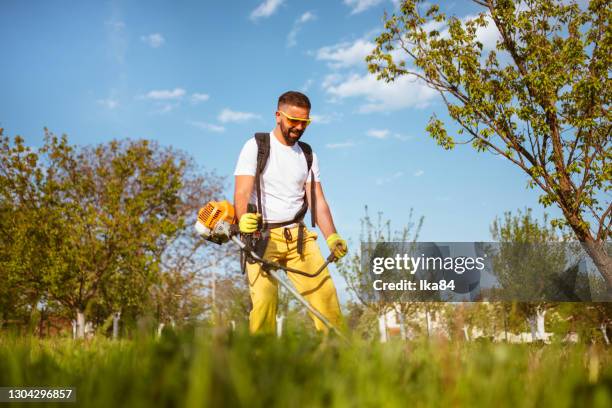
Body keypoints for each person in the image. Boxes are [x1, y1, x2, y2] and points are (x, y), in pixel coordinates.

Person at [233, 90, 347, 334]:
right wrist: (243, 219)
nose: (298, 127)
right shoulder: (256, 146)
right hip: (261, 237)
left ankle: (340, 360)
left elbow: (317, 200)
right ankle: (261, 364)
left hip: (299, 238)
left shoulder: (307, 154)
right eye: (293, 121)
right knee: (264, 302)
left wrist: (332, 237)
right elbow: (242, 192)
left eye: (304, 122)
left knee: (326, 298)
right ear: (278, 115)